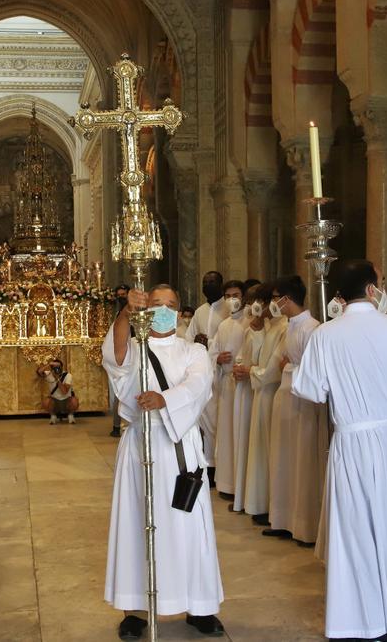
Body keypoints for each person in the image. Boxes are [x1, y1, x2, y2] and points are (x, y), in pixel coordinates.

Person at [293, 260, 387, 641]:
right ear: (372, 290)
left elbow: (309, 390)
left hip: (352, 440)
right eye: (381, 283)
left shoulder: (327, 334)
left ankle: (361, 620)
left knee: (355, 530)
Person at [102, 284, 225, 640]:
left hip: (178, 447)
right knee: (138, 523)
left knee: (188, 526)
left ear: (180, 311)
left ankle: (200, 607)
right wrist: (125, 313)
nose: (164, 309)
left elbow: (200, 385)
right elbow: (115, 358)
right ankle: (135, 610)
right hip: (141, 445)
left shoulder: (193, 351)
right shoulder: (136, 346)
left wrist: (165, 400)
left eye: (171, 304)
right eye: (156, 304)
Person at [264, 275, 322, 545]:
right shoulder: (290, 326)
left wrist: (289, 366)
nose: (274, 303)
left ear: (287, 298)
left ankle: (304, 525)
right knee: (283, 459)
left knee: (302, 461)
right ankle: (283, 519)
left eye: (276, 297)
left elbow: (316, 372)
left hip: (303, 402)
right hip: (286, 397)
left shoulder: (312, 328)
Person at [242, 283, 286, 522]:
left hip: (272, 393)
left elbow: (273, 370)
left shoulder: (285, 327)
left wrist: (251, 372)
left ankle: (271, 507)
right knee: (260, 451)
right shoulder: (269, 326)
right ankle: (261, 503)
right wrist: (257, 330)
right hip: (262, 393)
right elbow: (259, 357)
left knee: (270, 452)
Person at [184, 271, 227, 478]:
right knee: (206, 419)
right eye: (205, 281)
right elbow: (188, 338)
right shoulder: (200, 311)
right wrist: (196, 342)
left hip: (223, 371)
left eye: (212, 282)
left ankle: (223, 466)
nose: (208, 285)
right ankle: (209, 465)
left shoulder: (229, 309)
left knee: (222, 420)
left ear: (221, 284)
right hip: (205, 372)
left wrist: (207, 343)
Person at [228, 284, 266, 511]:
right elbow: (242, 356)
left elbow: (269, 362)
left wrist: (249, 370)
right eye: (249, 302)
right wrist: (238, 367)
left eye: (256, 301)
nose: (252, 307)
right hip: (246, 391)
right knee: (244, 443)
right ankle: (243, 495)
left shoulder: (275, 328)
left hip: (260, 392)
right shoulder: (247, 329)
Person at [209, 280, 247, 496]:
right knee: (226, 434)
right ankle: (226, 483)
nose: (233, 299)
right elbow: (212, 352)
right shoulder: (222, 326)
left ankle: (239, 484)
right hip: (226, 385)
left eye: (236, 295)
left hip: (243, 385)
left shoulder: (250, 322)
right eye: (229, 296)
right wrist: (217, 358)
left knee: (240, 434)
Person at [109, 284, 131, 438]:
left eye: (124, 294)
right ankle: (117, 425)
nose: (121, 297)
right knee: (119, 390)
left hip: (135, 352)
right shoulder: (118, 313)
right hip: (122, 355)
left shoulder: (137, 311)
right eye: (119, 295)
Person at [38, 357, 76, 425]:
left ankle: (70, 415)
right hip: (54, 400)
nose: (57, 369)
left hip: (66, 400)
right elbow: (39, 371)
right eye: (54, 367)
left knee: (74, 401)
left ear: (62, 367)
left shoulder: (68, 375)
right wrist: (49, 364)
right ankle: (53, 416)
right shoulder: (49, 374)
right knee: (46, 402)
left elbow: (64, 392)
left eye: (58, 367)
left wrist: (57, 379)